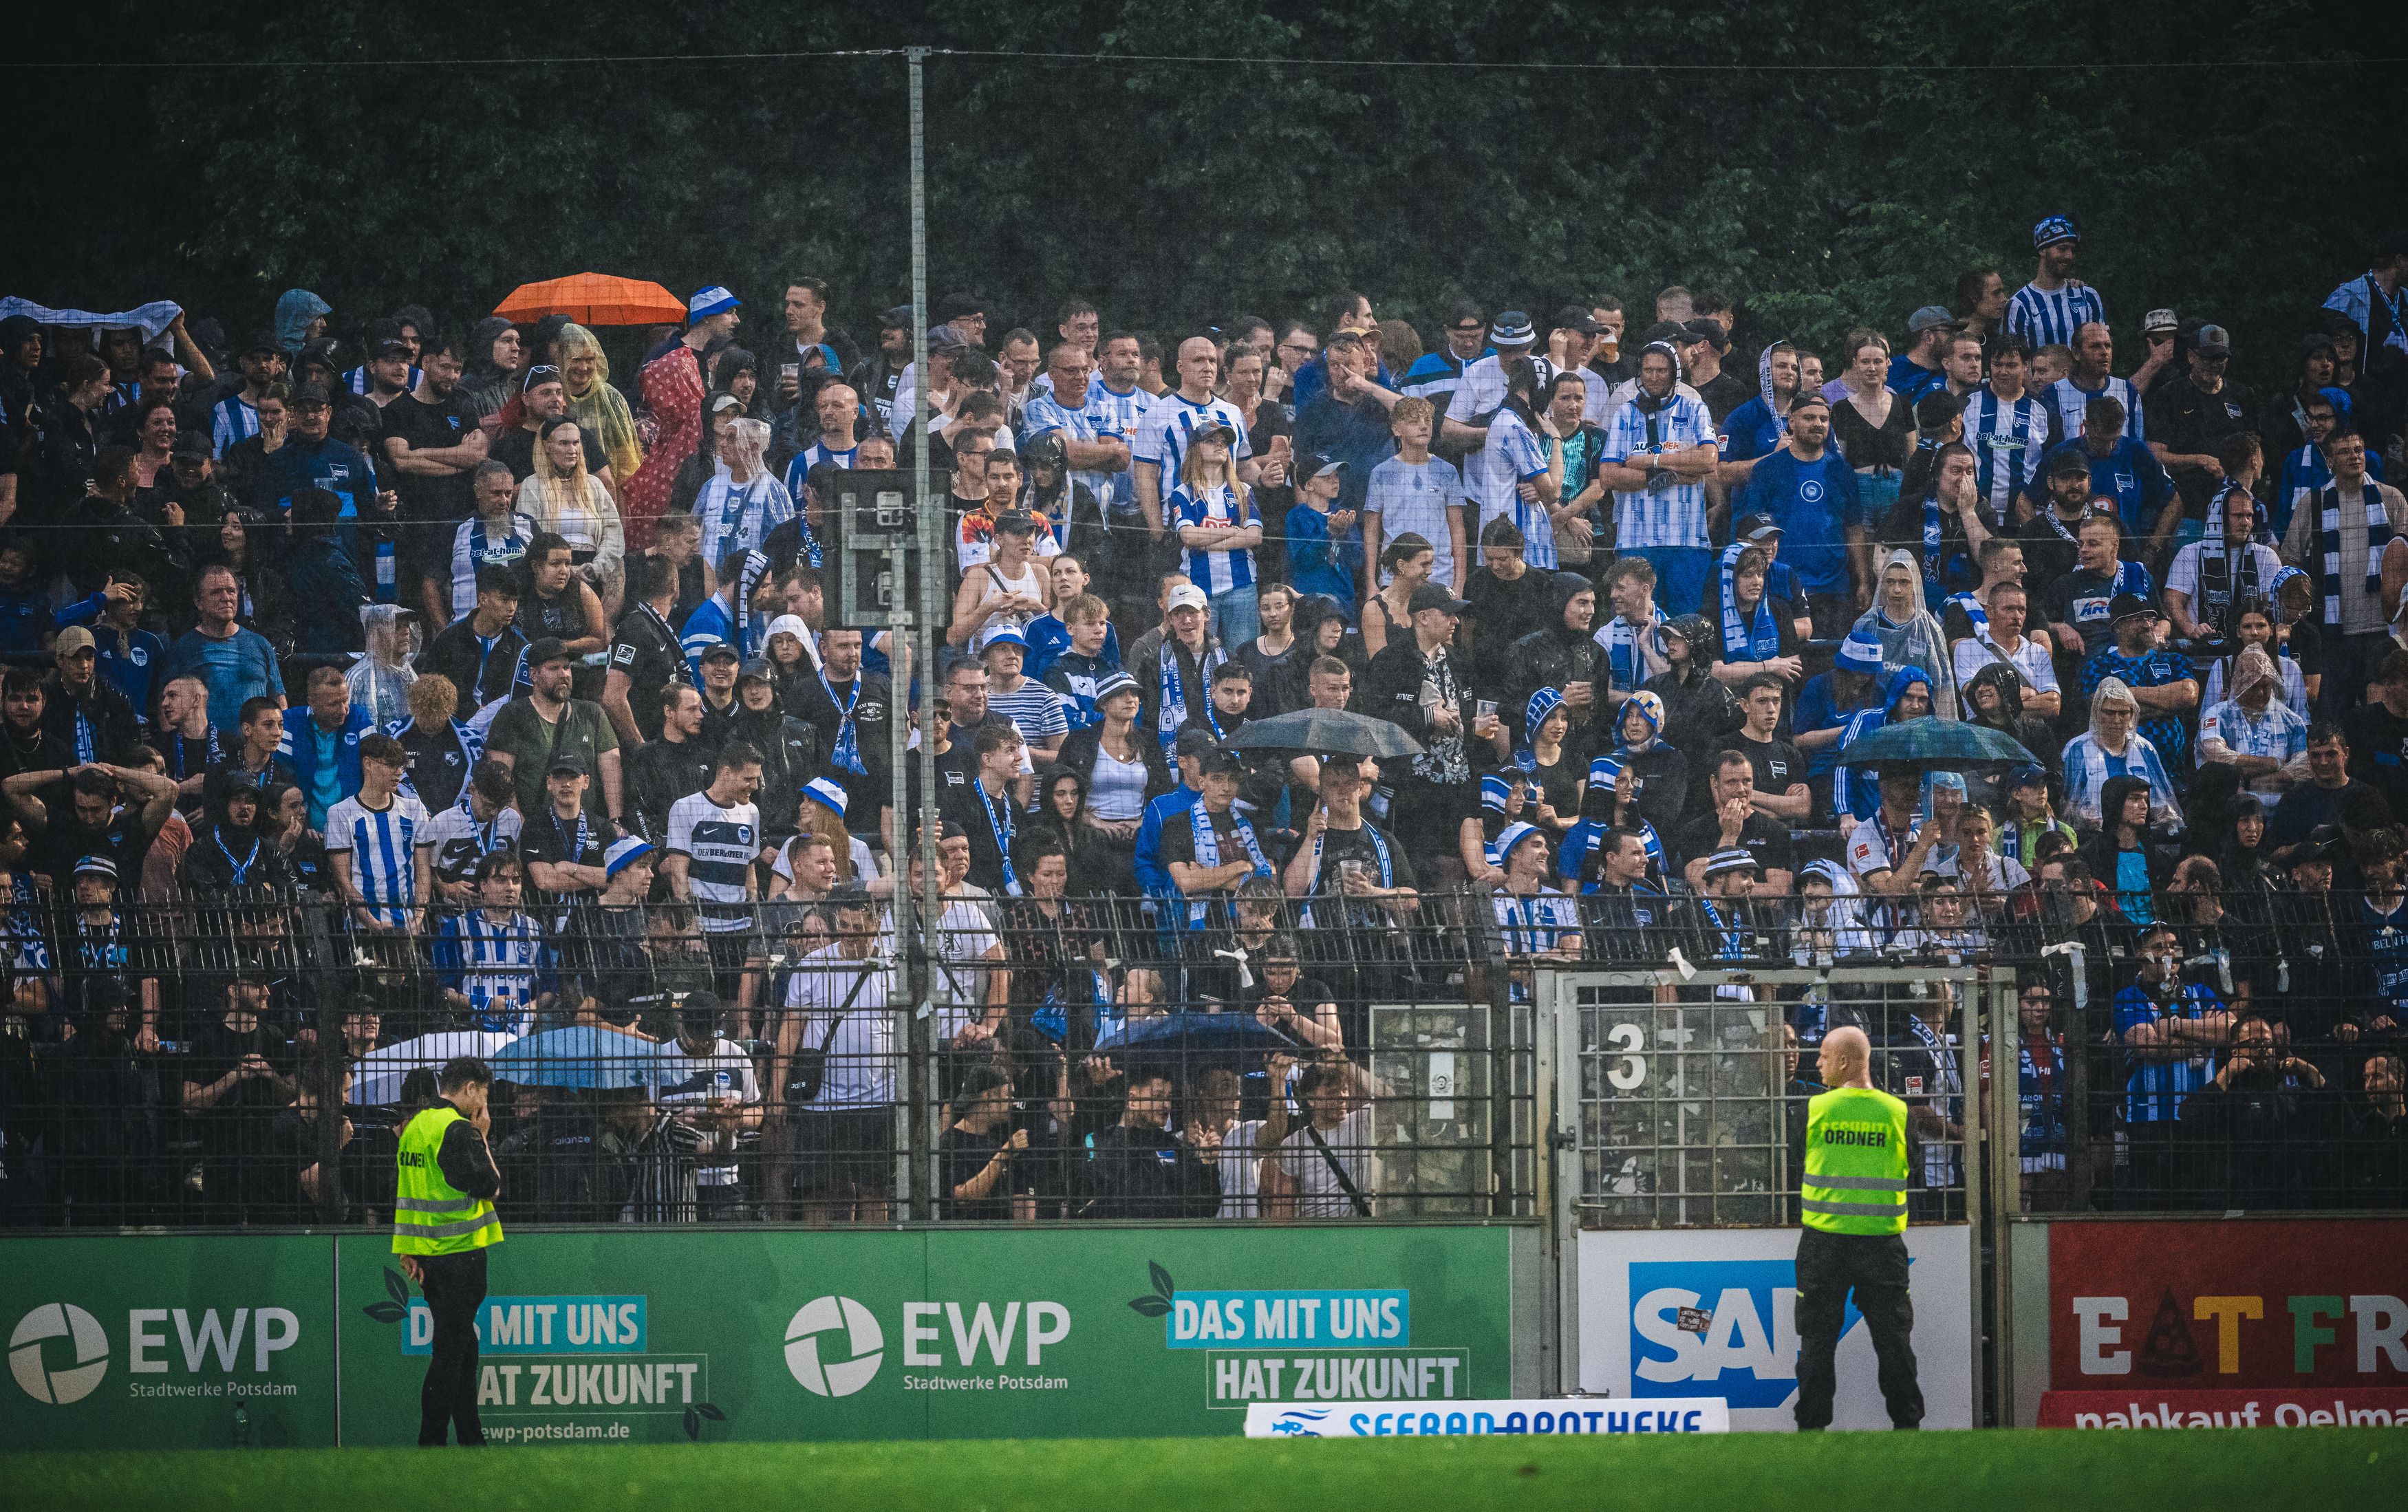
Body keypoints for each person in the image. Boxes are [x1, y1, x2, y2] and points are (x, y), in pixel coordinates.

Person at [1793, 1024, 1922, 1430]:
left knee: (1816, 1341)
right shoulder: (1899, 1113)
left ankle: (1811, 1432)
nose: (1817, 1063)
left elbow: (1799, 1160)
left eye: (1824, 1056)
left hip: (1824, 1244)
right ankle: (1909, 1428)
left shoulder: (1812, 1111)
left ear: (1845, 1062)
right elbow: (1912, 1168)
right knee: (1895, 1345)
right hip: (1882, 1245)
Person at [392, 1055, 503, 1447]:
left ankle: (471, 1439)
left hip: (429, 1259)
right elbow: (491, 1186)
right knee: (450, 1353)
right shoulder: (458, 1130)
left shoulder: (415, 1127)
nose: (482, 1108)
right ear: (471, 1088)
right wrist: (484, 1137)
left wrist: (408, 1251)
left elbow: (408, 1194)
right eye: (483, 1096)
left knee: (462, 1349)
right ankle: (431, 1441)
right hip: (461, 1256)